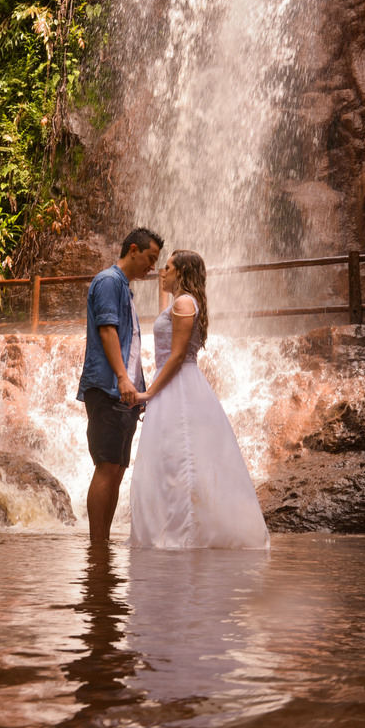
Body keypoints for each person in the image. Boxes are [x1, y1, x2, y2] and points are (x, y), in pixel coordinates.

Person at [128, 250, 270, 549]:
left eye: (168, 267)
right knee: (173, 458)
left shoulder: (183, 303)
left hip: (177, 385)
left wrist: (149, 393)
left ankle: (184, 535)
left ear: (181, 272)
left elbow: (178, 355)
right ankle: (181, 531)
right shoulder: (182, 302)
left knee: (181, 459)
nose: (162, 271)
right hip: (175, 383)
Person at [78, 227, 164, 543]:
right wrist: (123, 378)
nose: (153, 266)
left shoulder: (124, 288)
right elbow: (107, 331)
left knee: (117, 469)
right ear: (133, 250)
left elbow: (131, 345)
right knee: (106, 466)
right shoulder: (108, 281)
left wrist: (138, 390)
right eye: (150, 258)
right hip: (108, 387)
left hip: (125, 392)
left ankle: (103, 542)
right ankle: (96, 545)